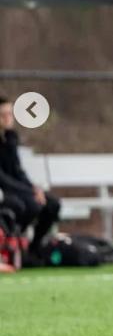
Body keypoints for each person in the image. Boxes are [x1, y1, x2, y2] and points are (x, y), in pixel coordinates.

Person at [0, 96, 61, 257]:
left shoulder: (10, 138)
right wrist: (29, 192)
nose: (8, 118)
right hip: (4, 190)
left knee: (52, 204)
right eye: (3, 114)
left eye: (10, 114)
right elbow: (2, 178)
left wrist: (33, 188)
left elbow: (18, 170)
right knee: (27, 205)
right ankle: (13, 244)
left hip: (17, 189)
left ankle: (35, 248)